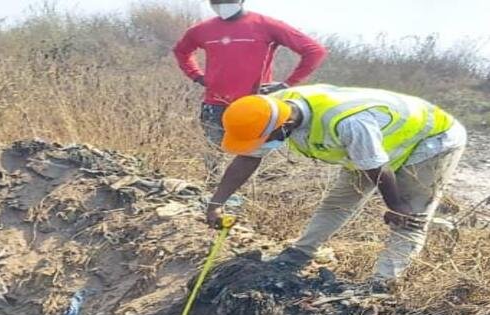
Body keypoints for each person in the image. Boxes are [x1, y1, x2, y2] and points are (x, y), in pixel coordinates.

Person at [205, 84, 467, 290]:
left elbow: (376, 166)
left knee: (411, 216)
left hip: (432, 140)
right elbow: (249, 156)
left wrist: (396, 205)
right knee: (337, 203)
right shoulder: (270, 109)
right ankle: (299, 254)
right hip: (373, 146)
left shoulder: (349, 122)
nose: (261, 145)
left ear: (284, 126)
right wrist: (217, 203)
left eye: (265, 139)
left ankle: (382, 285)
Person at [172, 1, 327, 150]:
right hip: (215, 105)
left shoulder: (266, 24)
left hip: (255, 105)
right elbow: (181, 51)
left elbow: (314, 51)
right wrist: (196, 75)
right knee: (214, 157)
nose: (222, 3)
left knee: (251, 155)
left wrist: (287, 84)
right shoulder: (202, 30)